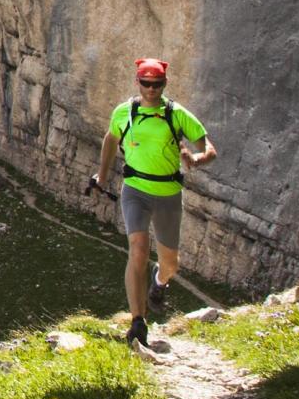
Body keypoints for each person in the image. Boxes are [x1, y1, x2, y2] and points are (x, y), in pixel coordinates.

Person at [90, 57, 217, 347]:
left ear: (164, 83)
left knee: (170, 264)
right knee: (137, 248)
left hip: (168, 194)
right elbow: (110, 139)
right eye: (146, 83)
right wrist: (102, 176)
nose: (151, 89)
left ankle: (160, 282)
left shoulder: (177, 114)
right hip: (135, 189)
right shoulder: (124, 112)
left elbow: (209, 149)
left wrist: (195, 159)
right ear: (138, 82)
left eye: (156, 84)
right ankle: (138, 322)